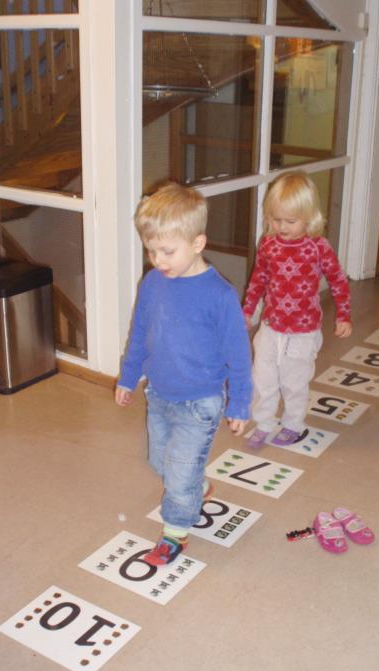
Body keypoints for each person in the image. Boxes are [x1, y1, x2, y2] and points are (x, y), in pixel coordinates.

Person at [115, 183, 252, 565]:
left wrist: (239, 403)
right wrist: (129, 377)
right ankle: (197, 485)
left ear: (198, 242)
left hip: (201, 402)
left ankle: (175, 532)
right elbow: (140, 333)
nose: (158, 259)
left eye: (167, 251)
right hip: (159, 396)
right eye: (151, 250)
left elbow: (239, 356)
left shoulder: (219, 296)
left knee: (176, 476)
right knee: (161, 462)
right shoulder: (153, 283)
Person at [243, 171, 352, 450]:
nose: (282, 226)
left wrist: (343, 314)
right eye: (275, 219)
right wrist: (248, 310)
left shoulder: (318, 247)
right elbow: (258, 279)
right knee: (263, 378)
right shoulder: (268, 244)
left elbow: (339, 280)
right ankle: (264, 422)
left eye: (290, 221)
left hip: (303, 331)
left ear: (309, 217)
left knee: (294, 381)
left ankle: (294, 425)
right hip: (271, 326)